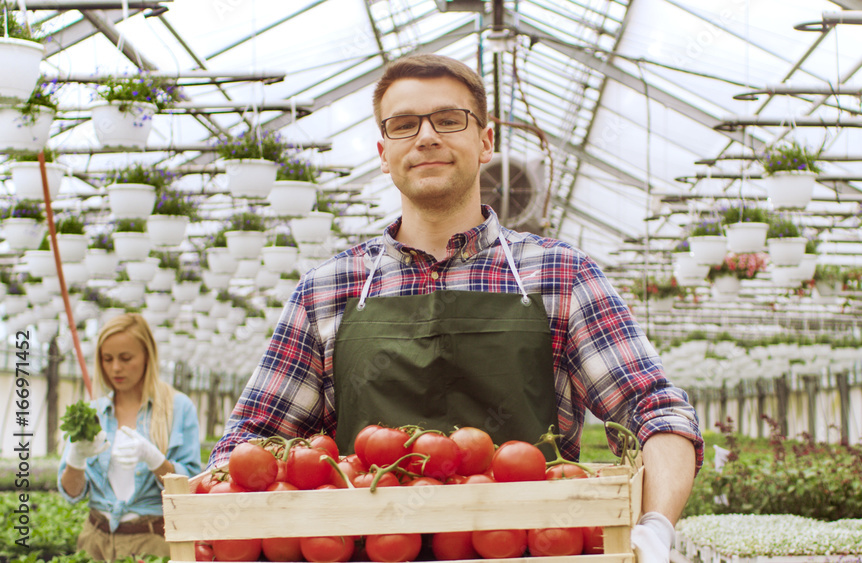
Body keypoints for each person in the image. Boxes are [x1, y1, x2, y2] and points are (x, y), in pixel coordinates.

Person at [210, 54, 702, 560]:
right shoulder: (328, 289)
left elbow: (656, 410)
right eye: (404, 125)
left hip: (532, 551)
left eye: (449, 120)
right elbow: (252, 440)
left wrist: (654, 527)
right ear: (383, 152)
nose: (426, 137)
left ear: (485, 142)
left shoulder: (560, 275)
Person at [58, 313, 201, 561]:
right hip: (94, 541)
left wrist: (155, 460)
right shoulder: (92, 414)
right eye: (107, 359)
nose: (115, 368)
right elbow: (71, 493)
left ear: (147, 356)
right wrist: (76, 457)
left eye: (126, 358)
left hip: (151, 543)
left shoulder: (178, 408)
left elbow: (191, 489)